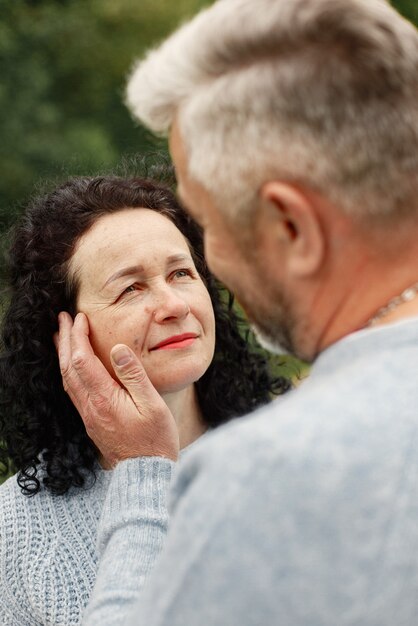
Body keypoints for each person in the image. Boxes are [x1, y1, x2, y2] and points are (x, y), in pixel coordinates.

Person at [57, 0, 418, 624]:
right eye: (130, 287)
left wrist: (143, 476)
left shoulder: (264, 476)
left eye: (208, 233)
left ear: (291, 226)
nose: (209, 271)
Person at [0, 173, 289, 626]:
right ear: (65, 336)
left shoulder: (303, 453)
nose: (174, 304)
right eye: (130, 288)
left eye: (181, 273)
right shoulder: (14, 528)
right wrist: (145, 467)